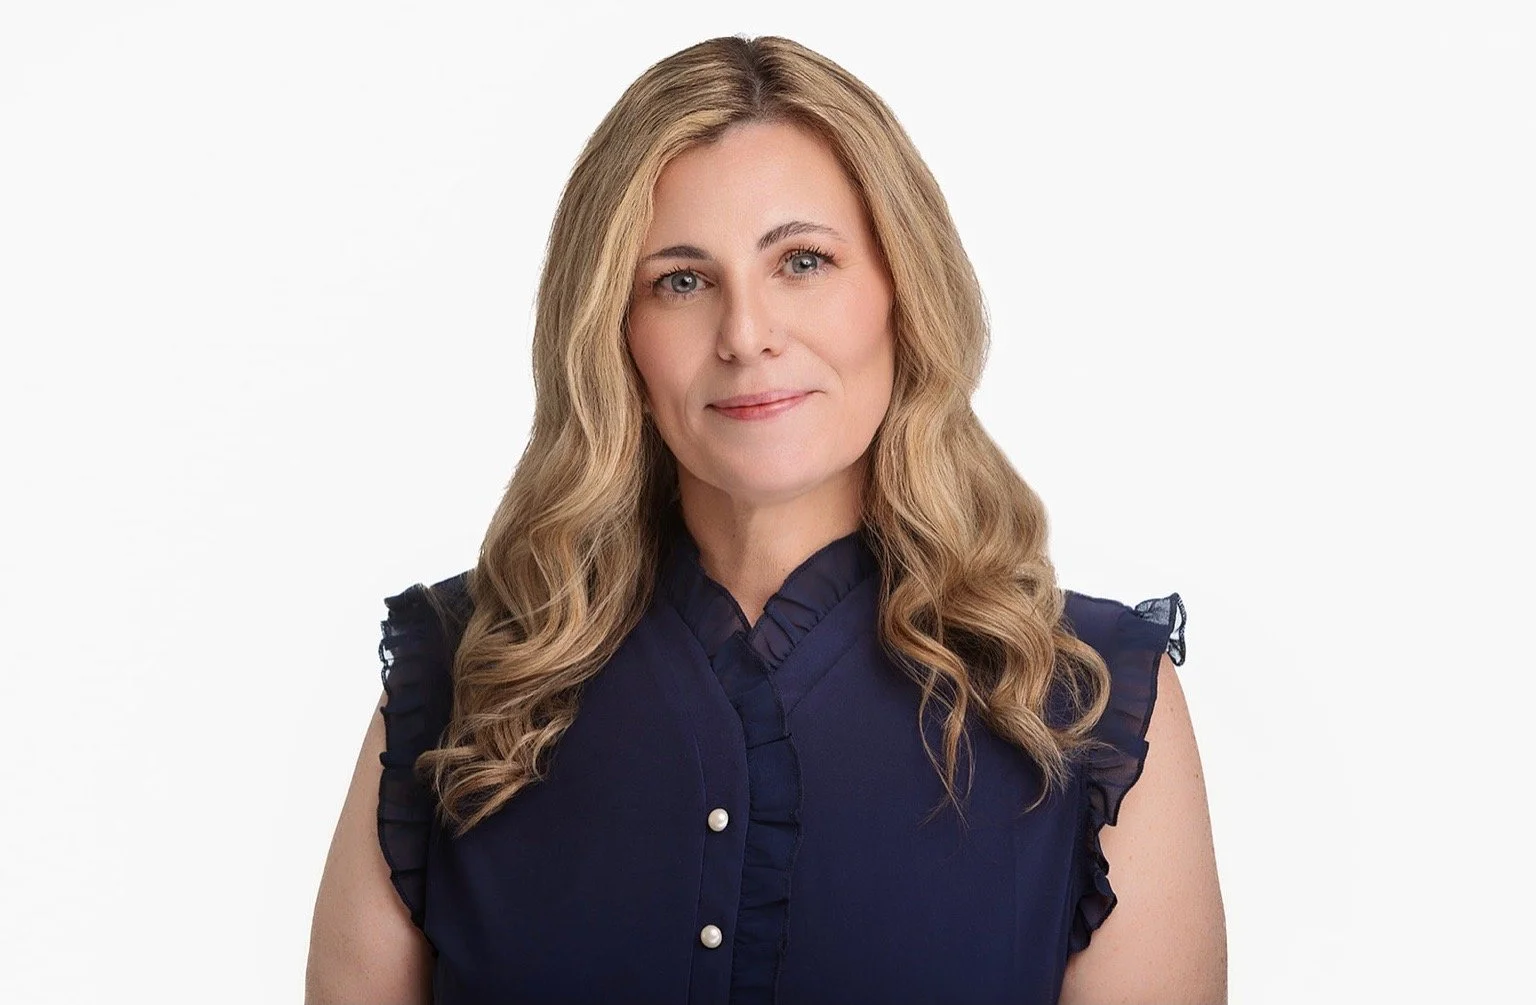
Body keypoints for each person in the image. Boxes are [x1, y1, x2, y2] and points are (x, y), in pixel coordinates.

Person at [305, 33, 1226, 1005]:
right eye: (682, 280)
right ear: (615, 333)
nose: (746, 336)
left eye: (803, 261)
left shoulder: (1081, 700)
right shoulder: (471, 685)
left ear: (902, 289)